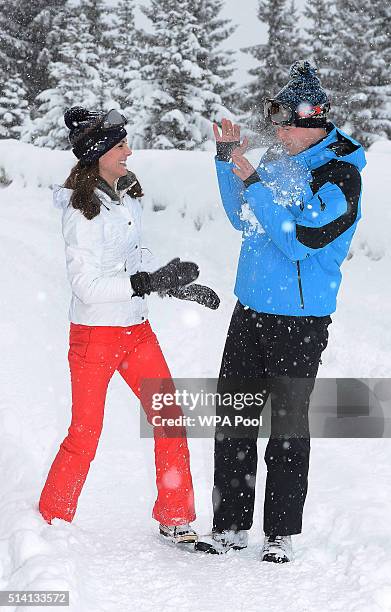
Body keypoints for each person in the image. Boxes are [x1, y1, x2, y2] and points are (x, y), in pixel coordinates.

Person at [195, 61, 366, 561]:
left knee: (287, 425)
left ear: (314, 121)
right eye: (277, 122)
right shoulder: (279, 160)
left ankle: (280, 534)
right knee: (234, 418)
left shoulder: (341, 177)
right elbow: (242, 216)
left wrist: (253, 183)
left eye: (287, 122)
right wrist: (230, 162)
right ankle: (229, 527)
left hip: (299, 320)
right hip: (250, 311)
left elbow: (302, 239)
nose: (278, 131)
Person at [38, 106, 219, 543]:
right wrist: (143, 283)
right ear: (98, 152)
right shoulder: (81, 213)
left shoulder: (125, 196)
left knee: (170, 419)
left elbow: (135, 255)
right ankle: (49, 522)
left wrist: (170, 284)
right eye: (120, 145)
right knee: (85, 434)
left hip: (136, 332)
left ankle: (176, 517)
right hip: (95, 336)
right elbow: (86, 285)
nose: (128, 152)